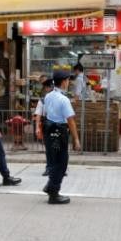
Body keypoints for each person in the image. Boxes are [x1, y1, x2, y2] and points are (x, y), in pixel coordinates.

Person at [42, 70, 81, 205]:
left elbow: (46, 113)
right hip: (59, 132)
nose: (68, 82)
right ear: (64, 82)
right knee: (61, 163)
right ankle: (54, 194)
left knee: (53, 161)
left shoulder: (48, 96)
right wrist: (76, 139)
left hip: (49, 131)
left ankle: (50, 186)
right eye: (68, 80)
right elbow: (71, 121)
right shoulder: (64, 99)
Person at [34, 77, 54, 176]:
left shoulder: (61, 97)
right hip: (47, 125)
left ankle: (62, 168)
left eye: (51, 87)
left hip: (59, 125)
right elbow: (38, 114)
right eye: (48, 87)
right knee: (49, 148)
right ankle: (49, 168)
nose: (49, 89)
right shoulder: (42, 100)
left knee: (60, 148)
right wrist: (37, 127)